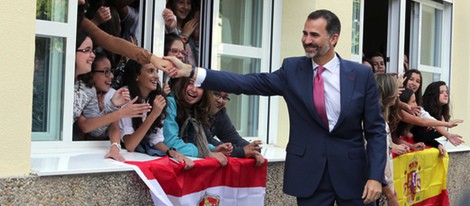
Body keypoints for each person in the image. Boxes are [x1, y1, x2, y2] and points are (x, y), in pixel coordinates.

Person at [165, 9, 386, 205]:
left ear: (334, 38)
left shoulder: (360, 75)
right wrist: (193, 72)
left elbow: (376, 131)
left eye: (314, 35)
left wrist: (376, 176)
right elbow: (247, 82)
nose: (306, 40)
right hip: (310, 175)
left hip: (353, 176)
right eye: (305, 33)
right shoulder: (292, 70)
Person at [74, 34, 150, 162]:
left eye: (111, 71)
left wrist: (115, 147)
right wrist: (121, 112)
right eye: (105, 72)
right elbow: (85, 126)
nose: (111, 77)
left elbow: (96, 129)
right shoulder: (62, 80)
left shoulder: (89, 89)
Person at [118, 60, 194, 169]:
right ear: (136, 76)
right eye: (150, 71)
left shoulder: (156, 97)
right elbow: (130, 145)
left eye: (157, 71)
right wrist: (153, 114)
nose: (157, 76)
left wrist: (172, 152)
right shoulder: (125, 96)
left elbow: (155, 139)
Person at [163, 77, 232, 166]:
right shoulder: (170, 103)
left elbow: (193, 140)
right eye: (190, 83)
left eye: (199, 86)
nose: (194, 90)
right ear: (182, 84)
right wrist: (206, 153)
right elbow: (170, 143)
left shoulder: (195, 108)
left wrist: (213, 149)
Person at [403, 69, 464, 146]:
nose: (446, 95)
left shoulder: (421, 106)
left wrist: (445, 136)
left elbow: (426, 118)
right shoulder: (398, 101)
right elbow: (419, 133)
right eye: (411, 79)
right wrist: (445, 126)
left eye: (418, 81)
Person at [209, 91, 265, 166]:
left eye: (225, 97)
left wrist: (254, 149)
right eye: (216, 94)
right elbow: (206, 142)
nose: (220, 101)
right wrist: (243, 151)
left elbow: (234, 139)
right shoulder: (195, 111)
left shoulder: (220, 114)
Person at [411, 81, 462, 157]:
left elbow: (427, 138)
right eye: (441, 92)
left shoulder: (442, 114)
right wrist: (444, 132)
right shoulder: (422, 111)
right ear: (433, 94)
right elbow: (418, 137)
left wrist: (438, 145)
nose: (446, 94)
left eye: (446, 92)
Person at [374, 74, 400, 206]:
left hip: (383, 187)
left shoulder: (382, 119)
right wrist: (390, 195)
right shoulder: (374, 122)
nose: (398, 93)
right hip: (377, 188)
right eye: (396, 88)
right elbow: (376, 159)